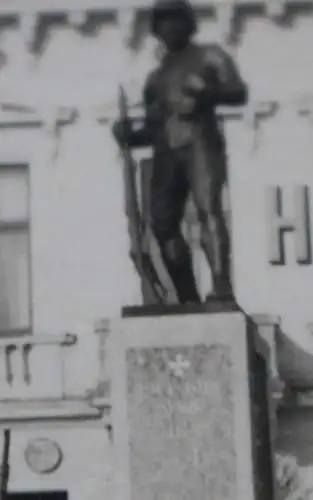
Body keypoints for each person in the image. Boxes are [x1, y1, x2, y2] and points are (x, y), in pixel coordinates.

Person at [113, 0, 248, 304]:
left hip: (201, 143)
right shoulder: (155, 78)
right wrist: (129, 136)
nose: (169, 28)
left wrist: (206, 94)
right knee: (162, 224)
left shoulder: (210, 56)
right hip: (165, 152)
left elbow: (238, 92)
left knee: (208, 211)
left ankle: (221, 286)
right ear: (156, 31)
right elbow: (152, 126)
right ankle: (187, 295)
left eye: (175, 20)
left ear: (189, 24)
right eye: (163, 23)